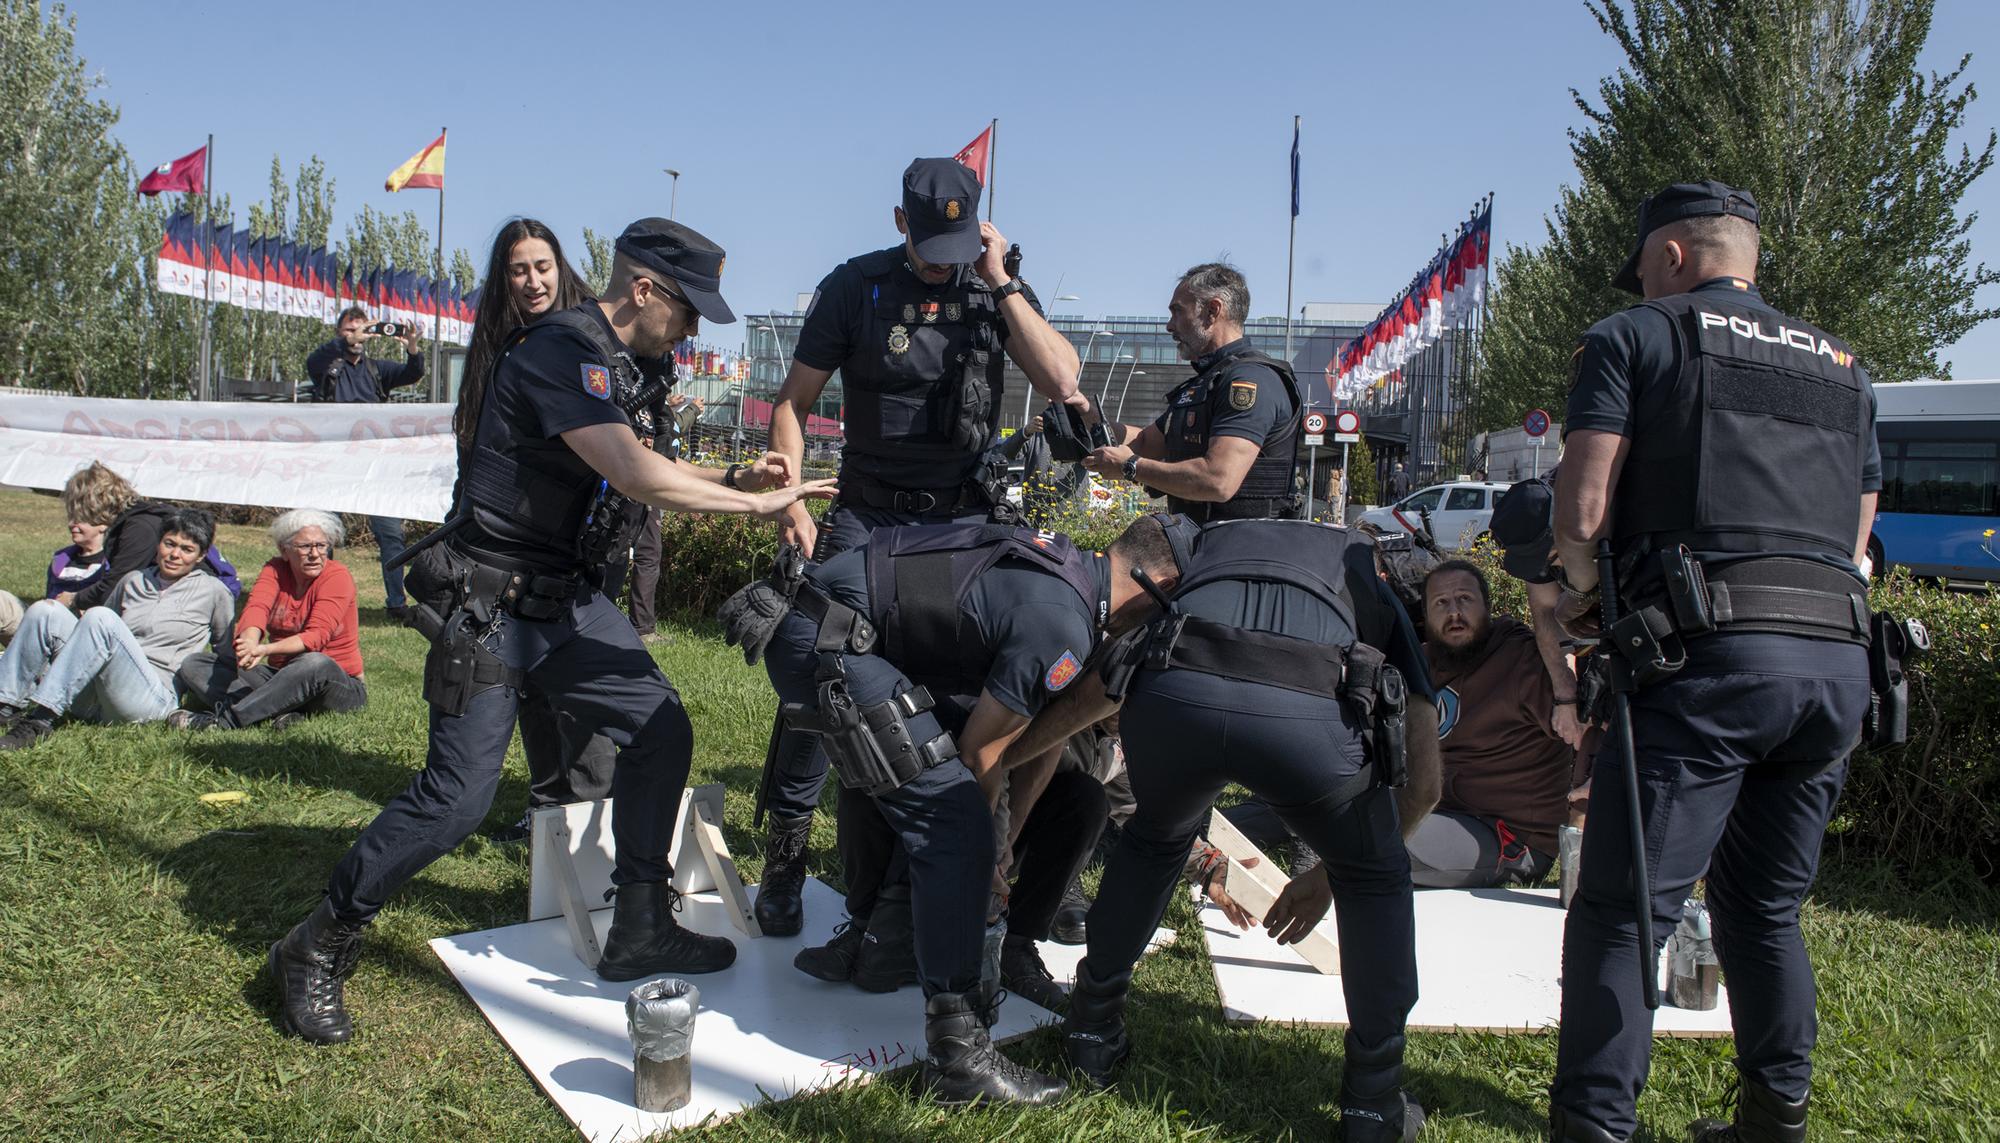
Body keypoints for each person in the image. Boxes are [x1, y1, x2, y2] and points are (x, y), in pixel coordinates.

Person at [266, 217, 834, 1047]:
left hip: (564, 601)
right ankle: (316, 943)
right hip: (491, 604)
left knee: (659, 727)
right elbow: (632, 469)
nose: (691, 327)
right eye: (687, 309)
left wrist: (731, 473)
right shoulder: (558, 349)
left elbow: (634, 454)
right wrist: (759, 503)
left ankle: (640, 922)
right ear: (645, 289)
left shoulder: (613, 362)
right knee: (455, 801)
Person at [1545, 181, 1878, 1143]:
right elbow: (1858, 534)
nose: (1643, 282)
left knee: (1619, 908)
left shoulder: (1635, 336)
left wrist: (1579, 593)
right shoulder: (1845, 366)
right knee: (1764, 905)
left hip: (1709, 661)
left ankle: (1596, 1126)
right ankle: (1775, 1121)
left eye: (1647, 266)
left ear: (1676, 256)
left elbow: (1580, 512)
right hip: (1834, 666)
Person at [1006, 516, 1438, 1142]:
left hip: (1178, 704)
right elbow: (1423, 787)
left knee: (1155, 838)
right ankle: (1372, 1103)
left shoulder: (1200, 565)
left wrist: (993, 760)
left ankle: (1091, 1029)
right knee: (1377, 878)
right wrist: (1332, 876)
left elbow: (1100, 690)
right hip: (1309, 724)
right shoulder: (1366, 577)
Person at [735, 512, 1185, 1105]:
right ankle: (958, 1058)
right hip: (824, 636)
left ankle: (900, 937)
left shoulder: (1067, 572)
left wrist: (1000, 842)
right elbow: (981, 755)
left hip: (836, 622)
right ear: (1159, 587)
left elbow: (1035, 740)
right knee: (954, 821)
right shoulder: (1063, 623)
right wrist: (989, 853)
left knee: (951, 800)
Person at [754, 157, 1082, 938]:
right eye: (933, 238)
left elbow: (1065, 379)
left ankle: (945, 864)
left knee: (961, 684)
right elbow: (793, 403)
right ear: (900, 222)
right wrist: (790, 495)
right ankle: (786, 854)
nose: (946, 254)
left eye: (960, 237)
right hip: (868, 517)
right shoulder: (855, 287)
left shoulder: (992, 287)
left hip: (963, 522)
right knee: (818, 665)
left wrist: (1000, 282)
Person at [453, 219, 616, 843]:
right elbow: (475, 448)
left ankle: (592, 818)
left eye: (542, 266)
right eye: (518, 270)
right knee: (529, 686)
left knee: (582, 693)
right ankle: (550, 811)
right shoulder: (499, 344)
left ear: (560, 267)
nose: (532, 280)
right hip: (507, 551)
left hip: (576, 548)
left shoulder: (583, 340)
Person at [1075, 263, 1303, 524]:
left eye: (1178, 312)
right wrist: (1084, 411)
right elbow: (1145, 443)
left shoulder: (1248, 380)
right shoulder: (1204, 383)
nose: (1169, 326)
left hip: (1242, 552)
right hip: (1201, 545)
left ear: (1212, 311)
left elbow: (1218, 480)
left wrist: (1131, 466)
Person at [1408, 560, 1581, 888]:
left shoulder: (1522, 661)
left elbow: (1587, 736)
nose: (1454, 612)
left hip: (1508, 835)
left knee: (1376, 848)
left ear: (1487, 608)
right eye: (1441, 603)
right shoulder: (1421, 661)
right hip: (1436, 812)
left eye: (1465, 599)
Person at [0, 509, 234, 750]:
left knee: (100, 617)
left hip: (151, 698)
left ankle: (40, 720)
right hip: (97, 692)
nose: (175, 554)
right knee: (45, 611)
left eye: (187, 549)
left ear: (201, 556)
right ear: (159, 543)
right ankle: (6, 705)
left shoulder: (213, 592)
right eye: (169, 544)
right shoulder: (133, 580)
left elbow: (225, 654)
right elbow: (97, 633)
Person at [171, 509, 365, 732]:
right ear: (285, 550)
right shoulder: (275, 569)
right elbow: (256, 609)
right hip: (281, 677)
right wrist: (250, 645)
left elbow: (316, 637)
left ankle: (225, 721)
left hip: (335, 683)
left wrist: (265, 650)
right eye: (305, 547)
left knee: (314, 662)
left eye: (321, 546)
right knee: (196, 664)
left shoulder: (337, 576)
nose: (315, 554)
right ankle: (280, 711)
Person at [307, 306, 426, 619]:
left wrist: (413, 349)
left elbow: (413, 374)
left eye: (362, 330)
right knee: (325, 533)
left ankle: (396, 604)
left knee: (390, 534)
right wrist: (345, 343)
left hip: (374, 465)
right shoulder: (328, 367)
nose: (357, 336)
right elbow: (313, 361)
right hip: (334, 463)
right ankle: (321, 599)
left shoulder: (375, 369)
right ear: (339, 333)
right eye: (349, 330)